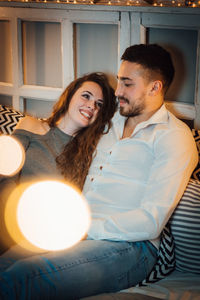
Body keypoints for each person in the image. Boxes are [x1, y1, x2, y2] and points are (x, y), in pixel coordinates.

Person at [0, 44, 198, 300]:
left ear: (155, 87)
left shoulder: (174, 137)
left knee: (21, 278)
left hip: (130, 246)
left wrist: (85, 228)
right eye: (119, 82)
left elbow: (151, 221)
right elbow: (63, 128)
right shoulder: (108, 119)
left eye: (127, 84)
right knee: (4, 266)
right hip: (72, 230)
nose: (118, 91)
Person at [0, 72, 117, 253]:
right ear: (70, 95)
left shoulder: (88, 155)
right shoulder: (31, 125)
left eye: (99, 105)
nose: (91, 106)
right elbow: (5, 174)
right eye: (86, 96)